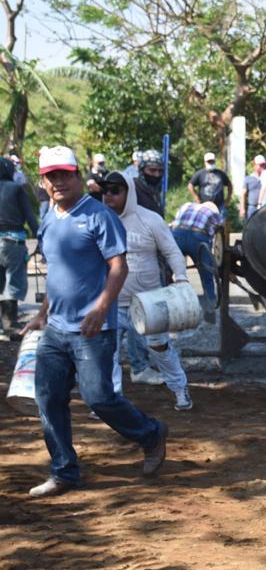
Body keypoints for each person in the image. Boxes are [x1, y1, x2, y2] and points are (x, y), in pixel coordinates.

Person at [21, 146, 168, 498]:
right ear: (44, 181)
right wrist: (41, 315)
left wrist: (102, 307)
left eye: (64, 174)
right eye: (51, 176)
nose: (59, 182)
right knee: (48, 398)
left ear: (77, 176)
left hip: (93, 329)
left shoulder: (99, 216)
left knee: (99, 397)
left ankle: (150, 434)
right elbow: (56, 274)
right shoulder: (48, 219)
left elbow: (119, 266)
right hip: (56, 329)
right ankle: (64, 472)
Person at [99, 172, 194, 409]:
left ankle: (180, 389)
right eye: (105, 190)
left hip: (149, 301)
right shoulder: (98, 220)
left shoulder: (150, 220)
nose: (108, 195)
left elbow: (172, 251)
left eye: (115, 190)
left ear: (128, 192)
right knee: (108, 352)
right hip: (112, 302)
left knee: (159, 347)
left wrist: (181, 279)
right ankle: (112, 401)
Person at [0, 156, 39, 339]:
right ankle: (10, 324)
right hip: (13, 243)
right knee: (13, 282)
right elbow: (30, 217)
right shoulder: (16, 189)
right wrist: (41, 239)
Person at [170, 200, 223, 310]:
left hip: (176, 234)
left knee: (167, 269)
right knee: (206, 273)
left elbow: (175, 221)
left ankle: (167, 302)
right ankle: (210, 308)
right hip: (198, 238)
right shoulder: (213, 214)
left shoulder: (186, 205)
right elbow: (218, 236)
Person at [188, 152, 232, 217]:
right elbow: (190, 185)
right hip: (204, 205)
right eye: (209, 162)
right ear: (205, 162)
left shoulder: (221, 174)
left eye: (212, 161)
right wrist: (196, 197)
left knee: (220, 224)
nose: (211, 163)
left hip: (219, 205)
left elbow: (229, 185)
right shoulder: (200, 174)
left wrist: (228, 198)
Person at [134, 149, 165, 217]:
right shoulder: (133, 188)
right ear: (142, 169)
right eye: (152, 170)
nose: (157, 174)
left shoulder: (154, 191)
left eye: (160, 171)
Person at [241, 154, 266, 220]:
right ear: (255, 166)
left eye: (264, 165)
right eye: (260, 165)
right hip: (252, 207)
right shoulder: (248, 178)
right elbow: (243, 194)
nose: (263, 167)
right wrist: (242, 208)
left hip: (265, 207)